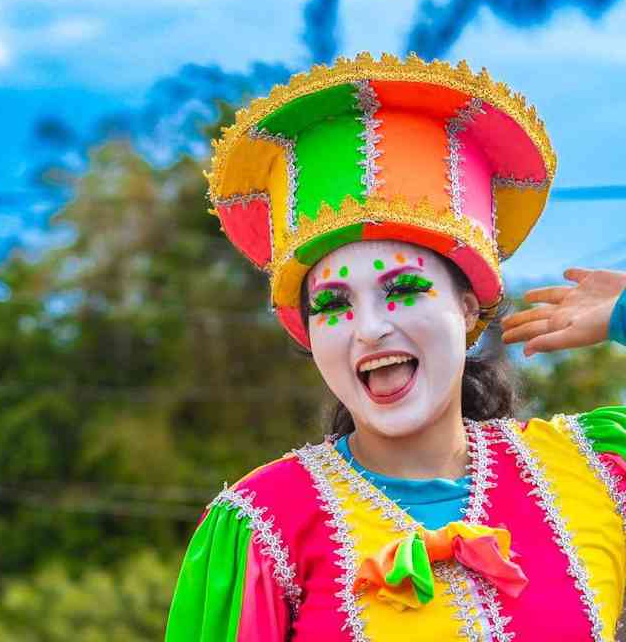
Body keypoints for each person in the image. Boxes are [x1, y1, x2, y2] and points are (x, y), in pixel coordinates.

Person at [165, 53, 626, 640]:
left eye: (402, 288)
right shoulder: (262, 526)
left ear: (466, 307)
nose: (369, 329)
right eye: (333, 305)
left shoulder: (595, 470)